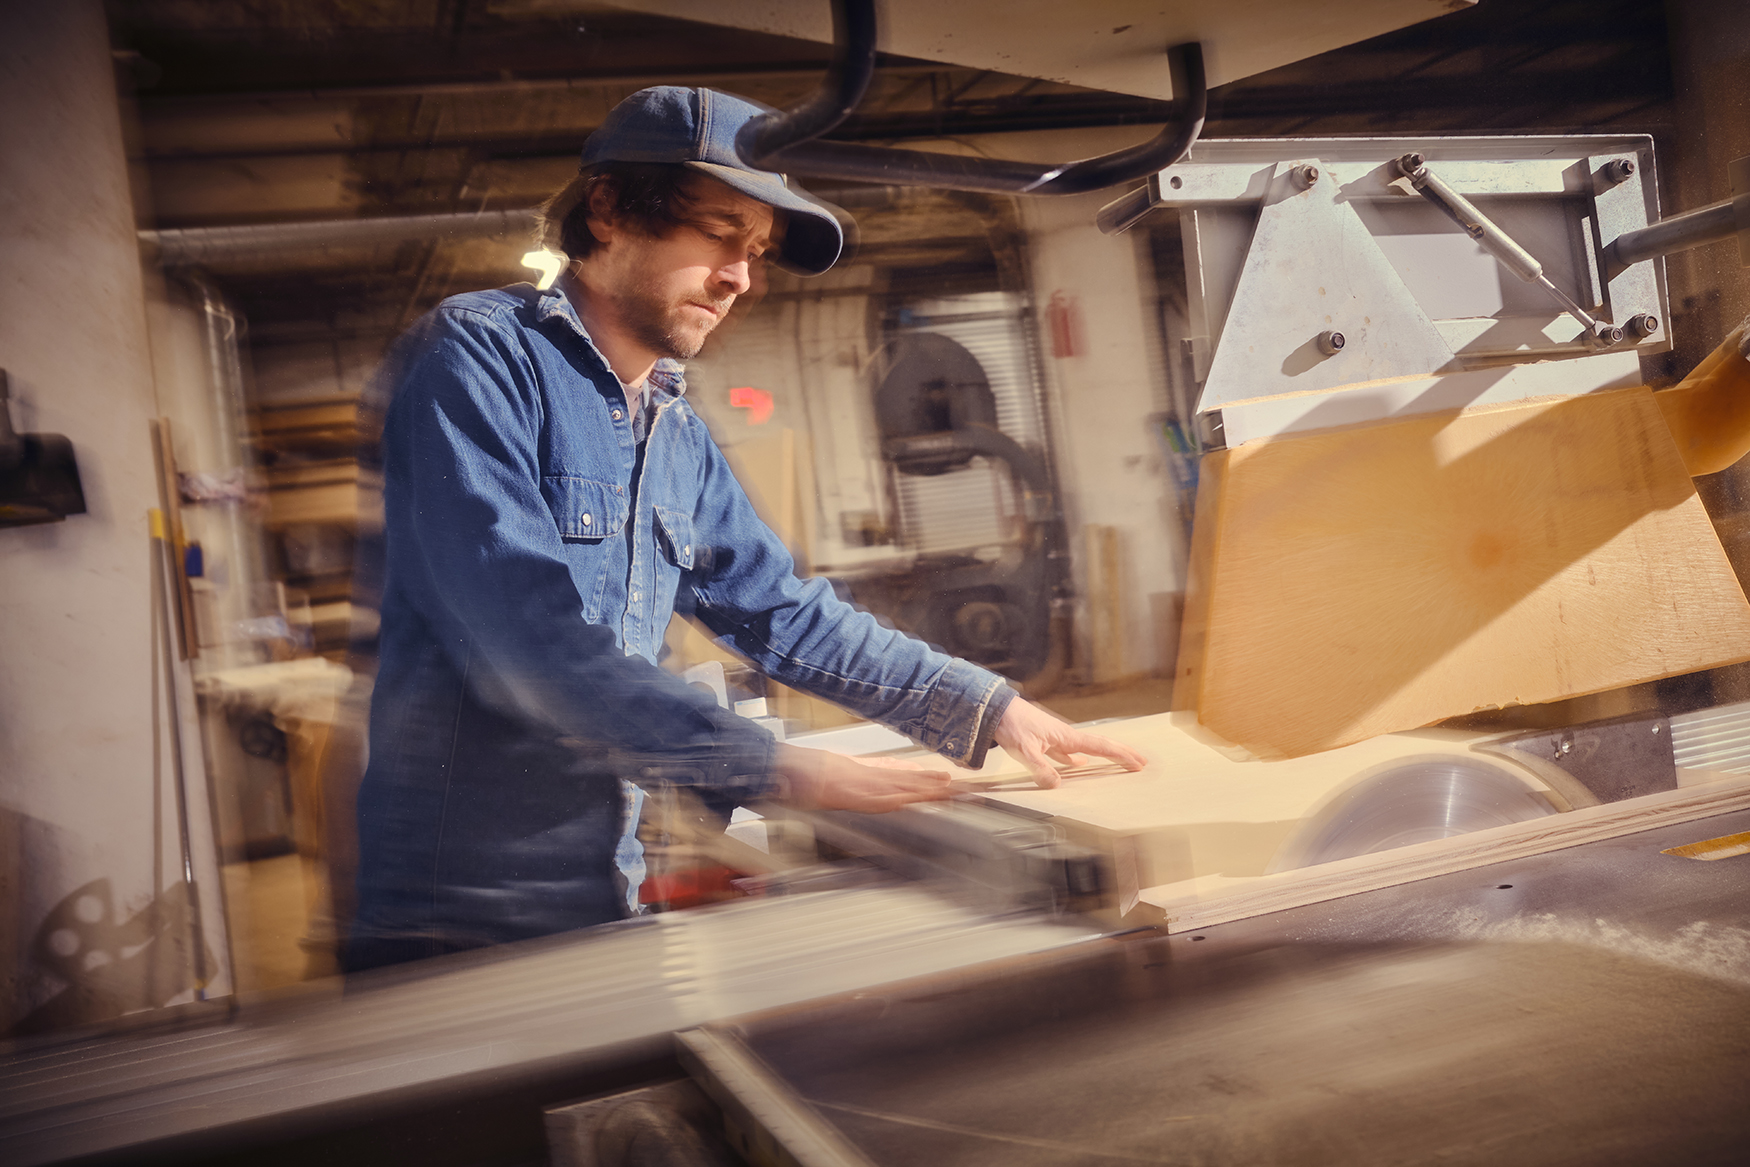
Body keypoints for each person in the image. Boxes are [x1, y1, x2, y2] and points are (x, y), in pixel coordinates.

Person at [345, 86, 1145, 972]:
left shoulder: (671, 428)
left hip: (598, 894)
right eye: (722, 234)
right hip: (456, 921)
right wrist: (777, 769)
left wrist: (990, 707)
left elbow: (782, 613)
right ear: (608, 209)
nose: (741, 277)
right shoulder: (477, 357)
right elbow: (528, 647)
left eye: (756, 252)